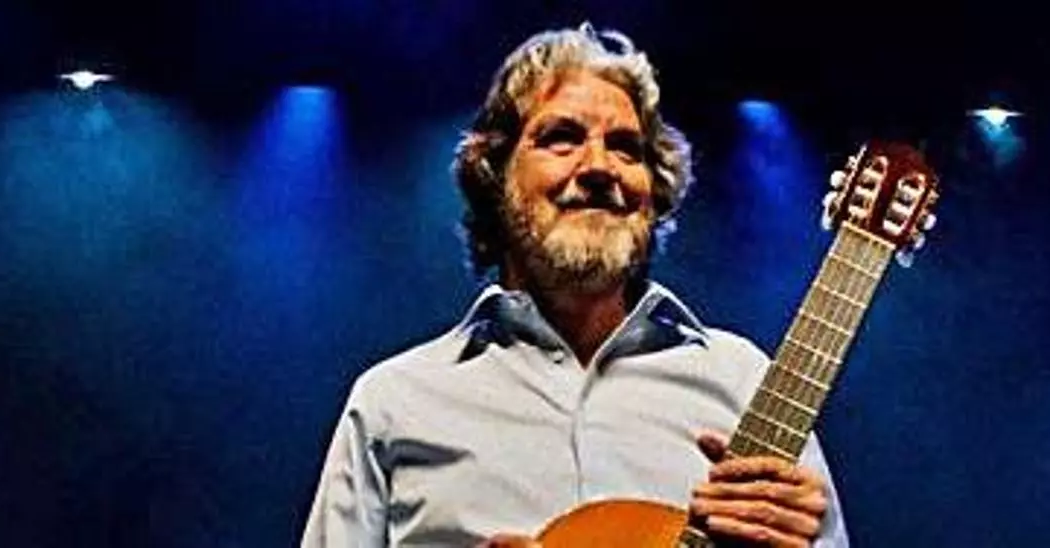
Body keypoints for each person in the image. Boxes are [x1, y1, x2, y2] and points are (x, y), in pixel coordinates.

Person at [301, 22, 850, 548]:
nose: (599, 167)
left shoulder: (745, 381)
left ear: (654, 192)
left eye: (626, 147)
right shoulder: (393, 401)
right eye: (561, 139)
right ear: (494, 176)